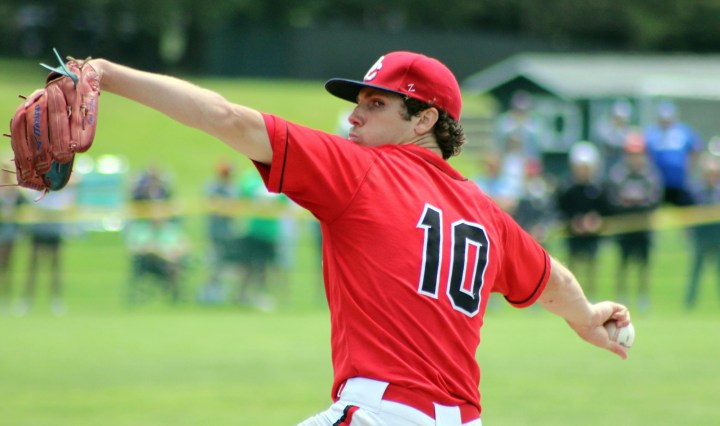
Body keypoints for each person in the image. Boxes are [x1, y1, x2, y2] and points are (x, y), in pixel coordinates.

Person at [84, 51, 631, 425]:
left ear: (425, 120)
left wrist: (106, 74)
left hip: (382, 413)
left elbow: (226, 118)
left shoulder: (361, 171)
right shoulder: (489, 216)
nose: (353, 118)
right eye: (358, 103)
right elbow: (554, 281)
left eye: (376, 104)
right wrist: (587, 317)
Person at [605, 132, 663, 312]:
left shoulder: (650, 175)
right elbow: (612, 200)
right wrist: (629, 202)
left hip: (644, 227)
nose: (634, 158)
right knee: (623, 263)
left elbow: (655, 199)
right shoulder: (618, 174)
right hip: (624, 227)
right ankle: (621, 296)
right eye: (631, 154)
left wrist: (635, 202)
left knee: (643, 264)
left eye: (638, 154)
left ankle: (642, 297)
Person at [555, 141, 610, 301]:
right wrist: (572, 223)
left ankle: (590, 296)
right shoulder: (567, 188)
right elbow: (560, 210)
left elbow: (607, 211)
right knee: (571, 266)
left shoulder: (598, 189)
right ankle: (571, 296)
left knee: (591, 265)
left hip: (592, 235)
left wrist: (596, 221)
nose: (583, 171)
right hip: (573, 234)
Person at [16, 186, 76, 316]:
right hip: (39, 229)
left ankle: (56, 299)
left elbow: (66, 204)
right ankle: (26, 299)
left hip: (54, 230)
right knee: (32, 265)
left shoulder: (60, 189)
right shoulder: (37, 188)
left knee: (55, 266)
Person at [643, 100, 704, 206]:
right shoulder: (651, 133)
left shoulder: (683, 131)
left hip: (680, 182)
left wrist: (689, 165)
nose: (666, 122)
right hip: (657, 183)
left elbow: (696, 148)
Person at [685, 153, 720, 309]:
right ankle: (690, 302)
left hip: (717, 237)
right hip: (701, 237)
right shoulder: (696, 192)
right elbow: (689, 213)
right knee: (696, 270)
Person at [0, 168, 26, 313]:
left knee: (7, 265)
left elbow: (25, 207)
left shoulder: (15, 193)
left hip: (10, 234)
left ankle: (5, 295)